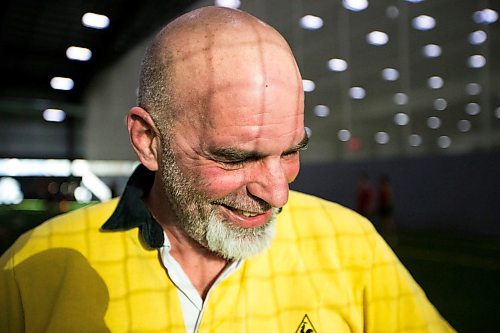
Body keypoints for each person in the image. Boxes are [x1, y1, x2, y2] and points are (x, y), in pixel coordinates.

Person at [0, 6, 454, 332]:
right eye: (236, 158)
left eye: (291, 151)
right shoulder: (31, 270)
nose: (278, 194)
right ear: (148, 141)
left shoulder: (351, 244)